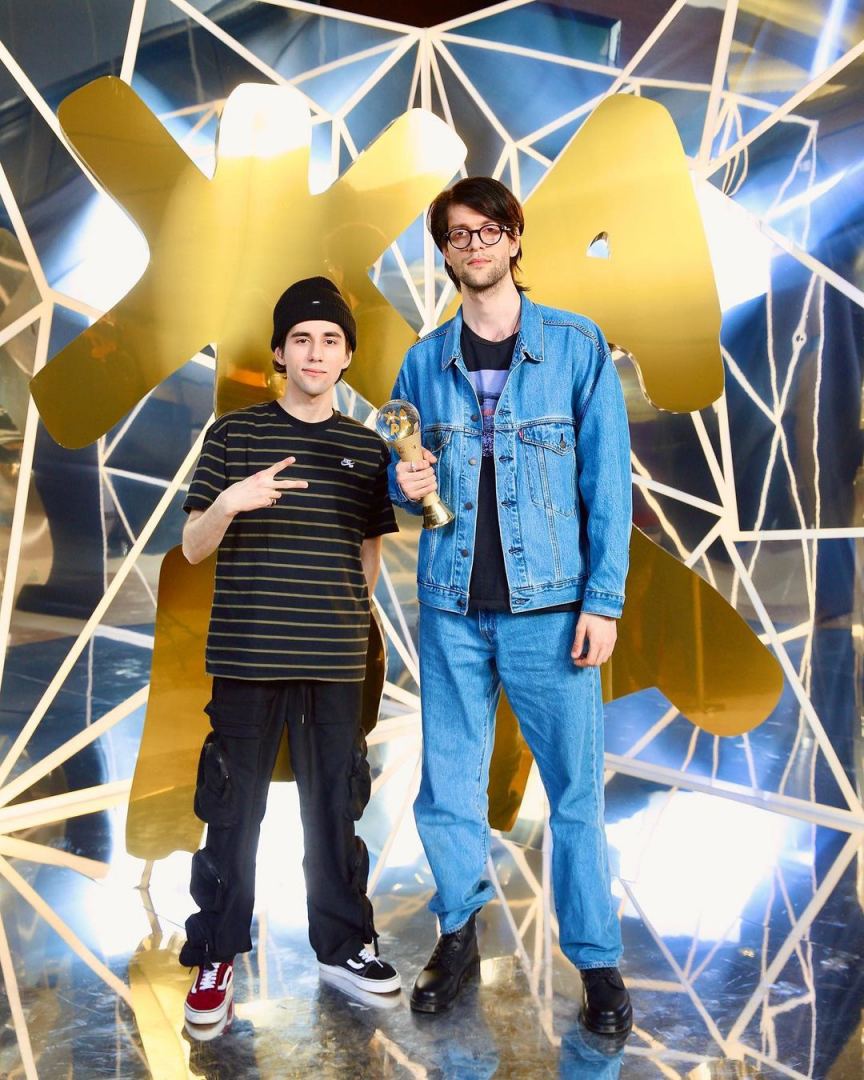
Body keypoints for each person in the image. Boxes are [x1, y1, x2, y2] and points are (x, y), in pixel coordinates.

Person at [389, 178, 633, 1034]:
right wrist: (404, 481)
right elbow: (400, 476)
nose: (476, 245)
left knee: (575, 795)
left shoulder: (575, 345)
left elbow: (608, 481)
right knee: (447, 789)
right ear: (445, 253)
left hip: (552, 611)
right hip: (452, 608)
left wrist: (603, 601)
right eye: (459, 235)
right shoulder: (423, 361)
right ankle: (458, 936)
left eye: (489, 230)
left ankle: (596, 962)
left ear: (515, 239)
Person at [178, 277, 401, 1029]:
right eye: (301, 339)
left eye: (330, 340)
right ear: (279, 353)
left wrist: (339, 617)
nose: (315, 352)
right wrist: (229, 502)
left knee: (335, 809)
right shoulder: (233, 437)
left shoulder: (366, 449)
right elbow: (193, 546)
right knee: (232, 812)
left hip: (335, 662)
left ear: (346, 357)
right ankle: (216, 954)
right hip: (247, 656)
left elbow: (369, 557)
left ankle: (343, 947)